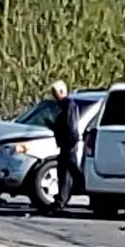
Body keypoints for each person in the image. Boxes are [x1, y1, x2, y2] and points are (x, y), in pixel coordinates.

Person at [50, 80, 81, 212]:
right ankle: (61, 199)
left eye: (55, 93)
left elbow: (71, 127)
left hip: (69, 145)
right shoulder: (63, 107)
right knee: (63, 172)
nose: (54, 96)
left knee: (71, 171)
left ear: (62, 92)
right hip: (65, 144)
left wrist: (70, 143)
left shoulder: (69, 105)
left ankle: (68, 196)